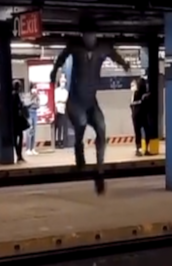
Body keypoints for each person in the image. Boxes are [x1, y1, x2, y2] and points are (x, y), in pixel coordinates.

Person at [50, 18, 130, 194]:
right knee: (81, 121)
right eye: (86, 36)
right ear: (82, 36)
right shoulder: (75, 47)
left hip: (91, 101)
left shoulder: (103, 48)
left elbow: (115, 55)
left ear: (95, 36)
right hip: (75, 101)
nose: (89, 40)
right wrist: (54, 71)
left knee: (101, 127)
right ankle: (78, 147)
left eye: (91, 36)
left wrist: (125, 64)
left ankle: (100, 171)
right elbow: (62, 57)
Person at [129, 77, 150, 156]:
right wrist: (141, 101)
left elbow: (131, 104)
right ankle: (144, 149)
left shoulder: (140, 93)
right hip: (140, 114)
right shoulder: (141, 94)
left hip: (137, 114)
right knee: (145, 131)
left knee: (139, 132)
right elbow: (132, 103)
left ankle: (140, 149)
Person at [11, 80, 28, 162]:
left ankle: (18, 154)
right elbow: (18, 106)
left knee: (15, 138)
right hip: (17, 119)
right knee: (19, 137)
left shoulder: (12, 95)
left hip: (14, 120)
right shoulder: (16, 95)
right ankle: (19, 155)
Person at [25, 87, 40, 155]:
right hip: (29, 113)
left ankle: (33, 148)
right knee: (29, 131)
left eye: (35, 92)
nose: (34, 94)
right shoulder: (28, 97)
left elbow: (38, 105)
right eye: (33, 92)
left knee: (34, 131)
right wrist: (32, 102)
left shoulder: (37, 97)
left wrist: (34, 102)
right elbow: (26, 104)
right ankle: (28, 149)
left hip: (35, 113)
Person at [54, 75, 69, 148]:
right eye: (61, 82)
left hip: (63, 110)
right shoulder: (56, 91)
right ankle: (54, 142)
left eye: (64, 82)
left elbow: (65, 100)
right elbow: (55, 100)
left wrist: (61, 101)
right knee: (55, 127)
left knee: (60, 127)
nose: (63, 83)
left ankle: (60, 142)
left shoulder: (66, 92)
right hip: (56, 109)